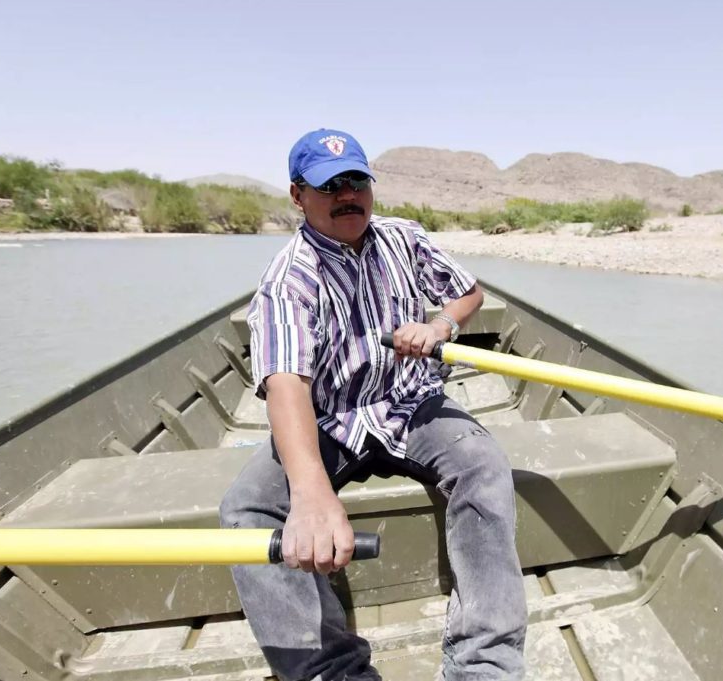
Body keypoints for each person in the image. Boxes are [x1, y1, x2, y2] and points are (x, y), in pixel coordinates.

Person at [219, 129, 527, 681]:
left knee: (483, 465)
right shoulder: (287, 281)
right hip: (328, 421)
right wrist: (311, 494)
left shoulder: (404, 238)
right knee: (248, 512)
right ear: (298, 196)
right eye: (329, 185)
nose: (347, 195)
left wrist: (441, 324)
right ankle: (333, 671)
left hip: (411, 403)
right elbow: (286, 386)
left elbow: (468, 292)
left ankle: (484, 664)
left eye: (356, 181)